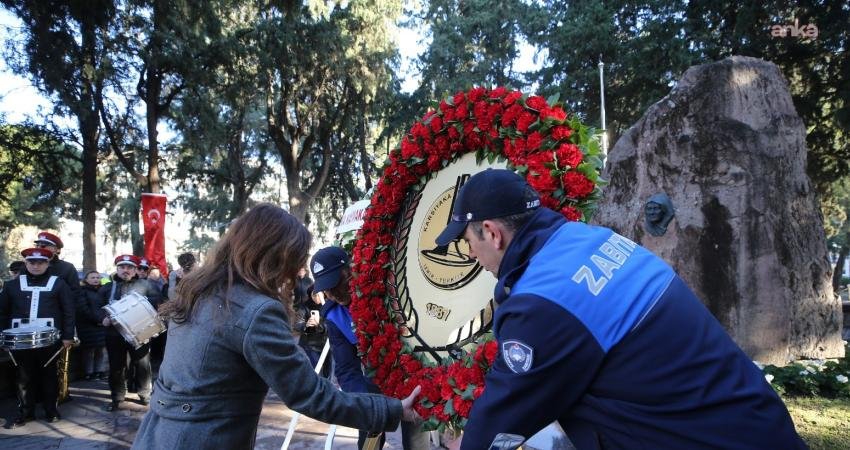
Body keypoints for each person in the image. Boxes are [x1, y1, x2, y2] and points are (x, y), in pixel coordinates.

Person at [434, 169, 806, 450]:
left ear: (492, 232)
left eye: (467, 241)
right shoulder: (591, 239)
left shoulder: (541, 302)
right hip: (755, 421)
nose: (470, 254)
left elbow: (505, 410)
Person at [132, 204, 420, 450]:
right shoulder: (255, 311)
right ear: (274, 255)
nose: (296, 273)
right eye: (295, 259)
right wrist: (392, 409)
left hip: (156, 435)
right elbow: (308, 393)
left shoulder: (198, 291)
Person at [312, 246, 428, 450]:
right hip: (375, 381)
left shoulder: (386, 288)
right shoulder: (334, 316)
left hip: (412, 376)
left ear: (350, 271)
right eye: (326, 290)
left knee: (415, 442)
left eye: (335, 284)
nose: (332, 295)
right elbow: (347, 369)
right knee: (368, 443)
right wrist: (367, 406)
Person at [0, 248, 75, 426]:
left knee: (49, 375)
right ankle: (26, 412)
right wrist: (2, 335)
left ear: (48, 263)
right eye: (31, 262)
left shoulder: (59, 283)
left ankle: (51, 410)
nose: (36, 265)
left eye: (40, 262)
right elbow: (2, 312)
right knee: (23, 377)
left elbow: (68, 311)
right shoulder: (11, 285)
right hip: (20, 341)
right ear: (26, 263)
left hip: (50, 340)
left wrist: (68, 336)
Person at [93, 254, 162, 411]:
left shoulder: (146, 285)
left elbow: (157, 300)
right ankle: (117, 397)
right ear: (117, 269)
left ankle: (145, 395)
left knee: (143, 364)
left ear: (135, 270)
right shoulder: (107, 287)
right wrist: (102, 318)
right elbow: (96, 307)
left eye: (129, 267)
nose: (125, 270)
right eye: (122, 267)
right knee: (116, 366)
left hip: (140, 331)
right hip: (113, 334)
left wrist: (139, 304)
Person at [34, 231, 79, 403]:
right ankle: (36, 396)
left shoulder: (67, 268)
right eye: (38, 245)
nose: (39, 248)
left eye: (44, 246)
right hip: (34, 323)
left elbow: (75, 295)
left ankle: (58, 394)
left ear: (57, 250)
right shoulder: (29, 266)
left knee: (56, 362)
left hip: (59, 321)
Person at [293, 286, 331, 377]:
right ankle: (320, 388)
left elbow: (332, 323)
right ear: (310, 295)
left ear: (323, 294)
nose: (316, 297)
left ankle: (327, 388)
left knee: (329, 370)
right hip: (311, 344)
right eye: (314, 294)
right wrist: (306, 324)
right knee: (318, 369)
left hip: (327, 343)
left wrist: (319, 325)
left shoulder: (328, 305)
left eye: (319, 294)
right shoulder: (304, 307)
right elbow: (297, 323)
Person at [77, 270, 108, 381]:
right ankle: (88, 372)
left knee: (101, 349)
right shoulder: (82, 291)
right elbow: (83, 309)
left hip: (102, 323)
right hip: (88, 325)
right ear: (86, 280)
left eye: (97, 277)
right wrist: (97, 320)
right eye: (93, 277)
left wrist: (104, 319)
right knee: (89, 350)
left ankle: (99, 371)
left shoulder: (103, 290)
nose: (96, 279)